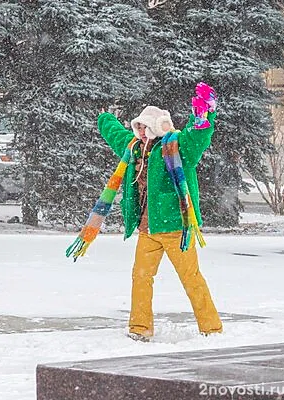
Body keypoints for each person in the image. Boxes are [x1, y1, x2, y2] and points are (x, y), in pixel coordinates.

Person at [66, 82, 223, 341]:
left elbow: (198, 137)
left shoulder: (177, 147)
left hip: (176, 229)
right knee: (140, 278)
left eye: (142, 127)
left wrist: (204, 115)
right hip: (147, 230)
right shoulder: (135, 150)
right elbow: (115, 134)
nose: (138, 131)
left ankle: (212, 327)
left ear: (156, 127)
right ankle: (140, 329)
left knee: (191, 278)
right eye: (136, 127)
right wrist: (104, 116)